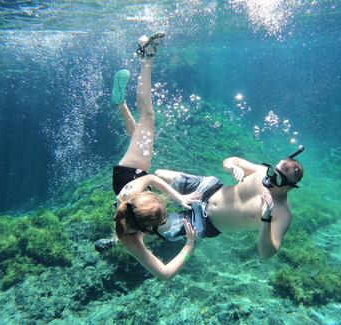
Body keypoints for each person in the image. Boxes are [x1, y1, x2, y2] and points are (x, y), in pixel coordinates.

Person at [95, 32, 201, 281]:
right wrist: (187, 244)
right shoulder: (130, 239)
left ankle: (146, 58)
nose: (166, 216)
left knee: (148, 119)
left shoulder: (132, 193)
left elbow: (151, 178)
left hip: (127, 176)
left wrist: (180, 199)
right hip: (123, 194)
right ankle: (120, 105)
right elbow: (163, 273)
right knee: (140, 139)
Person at [154, 146, 304, 259]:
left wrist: (266, 218)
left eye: (276, 178)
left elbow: (267, 254)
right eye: (272, 171)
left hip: (204, 222)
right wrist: (232, 167)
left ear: (289, 186)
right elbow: (232, 160)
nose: (269, 178)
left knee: (156, 228)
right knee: (159, 175)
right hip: (207, 188)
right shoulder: (261, 171)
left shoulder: (282, 214)